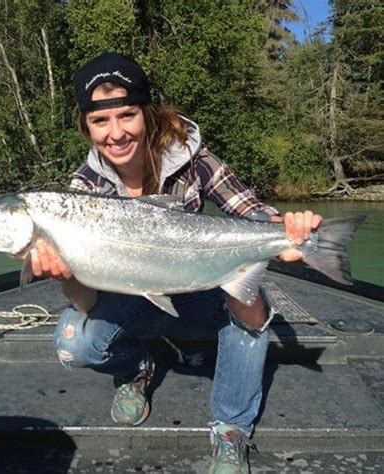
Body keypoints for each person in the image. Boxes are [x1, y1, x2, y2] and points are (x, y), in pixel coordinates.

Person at [31, 52, 322, 473]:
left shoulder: (193, 157)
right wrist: (66, 275)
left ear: (145, 114)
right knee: (73, 343)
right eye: (101, 121)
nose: (116, 133)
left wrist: (289, 232)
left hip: (204, 296)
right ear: (87, 126)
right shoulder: (81, 191)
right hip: (135, 303)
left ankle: (231, 428)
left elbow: (251, 210)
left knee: (252, 300)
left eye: (127, 115)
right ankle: (137, 368)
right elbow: (85, 302)